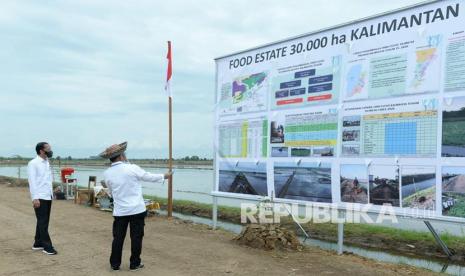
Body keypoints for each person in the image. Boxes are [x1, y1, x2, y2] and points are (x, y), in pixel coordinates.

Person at [99, 142, 171, 271]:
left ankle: (115, 264)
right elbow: (148, 177)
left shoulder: (107, 173)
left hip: (120, 211)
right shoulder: (132, 168)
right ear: (121, 156)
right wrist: (164, 176)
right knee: (136, 237)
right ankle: (134, 263)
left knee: (118, 238)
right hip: (137, 209)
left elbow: (110, 191)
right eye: (124, 154)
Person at [27, 142, 57, 255]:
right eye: (48, 148)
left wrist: (51, 192)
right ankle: (47, 247)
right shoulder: (33, 163)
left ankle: (38, 243)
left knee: (43, 221)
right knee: (43, 222)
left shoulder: (47, 162)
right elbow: (32, 182)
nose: (50, 150)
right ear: (41, 150)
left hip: (47, 195)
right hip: (39, 196)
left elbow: (47, 180)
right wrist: (35, 198)